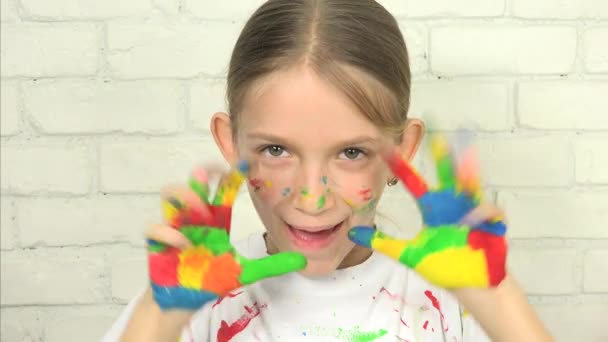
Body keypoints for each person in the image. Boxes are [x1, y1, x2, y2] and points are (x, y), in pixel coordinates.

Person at [103, 0, 553, 341]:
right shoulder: (189, 304)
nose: (312, 196)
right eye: (276, 149)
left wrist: (497, 302)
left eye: (351, 153)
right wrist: (160, 318)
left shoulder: (455, 303)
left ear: (403, 151)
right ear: (230, 144)